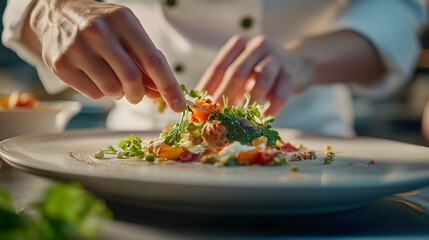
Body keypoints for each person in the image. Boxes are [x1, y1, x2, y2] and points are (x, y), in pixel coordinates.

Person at [2, 0, 426, 137]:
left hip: (310, 148)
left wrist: (302, 61)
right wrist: (44, 8)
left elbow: (394, 11)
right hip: (134, 138)